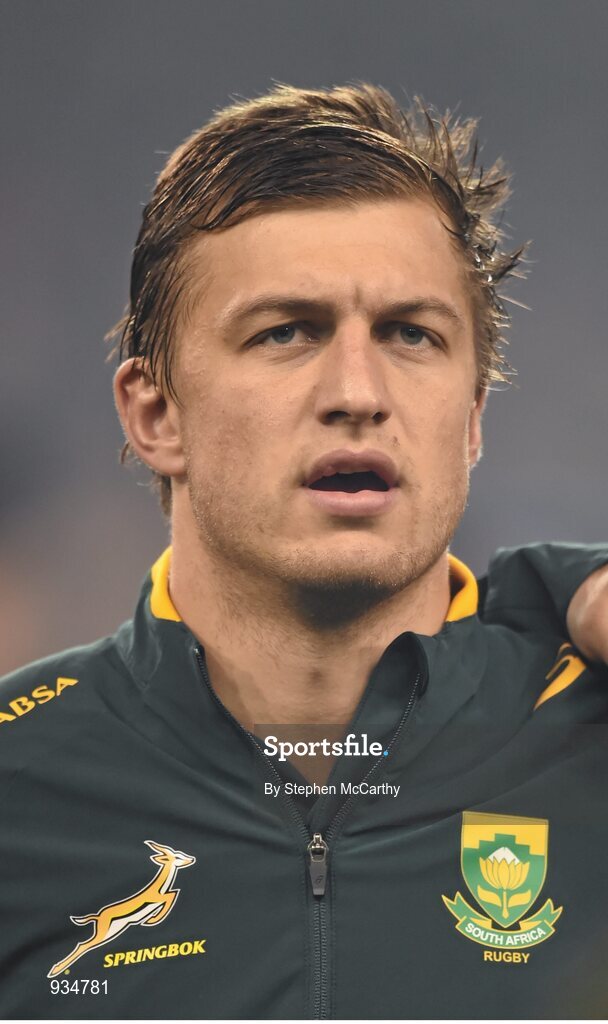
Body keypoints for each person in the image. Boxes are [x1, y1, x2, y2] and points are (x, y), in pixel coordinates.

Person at [1, 83, 607, 1020]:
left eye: (411, 334)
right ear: (156, 415)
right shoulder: (20, 783)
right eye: (286, 332)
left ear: (471, 420)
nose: (358, 392)